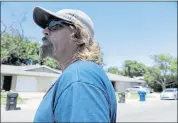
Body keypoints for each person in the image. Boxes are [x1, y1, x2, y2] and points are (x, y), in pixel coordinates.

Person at [33, 6, 117, 122]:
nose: (45, 31)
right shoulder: (77, 75)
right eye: (46, 27)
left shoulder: (80, 76)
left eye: (53, 25)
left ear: (78, 35)